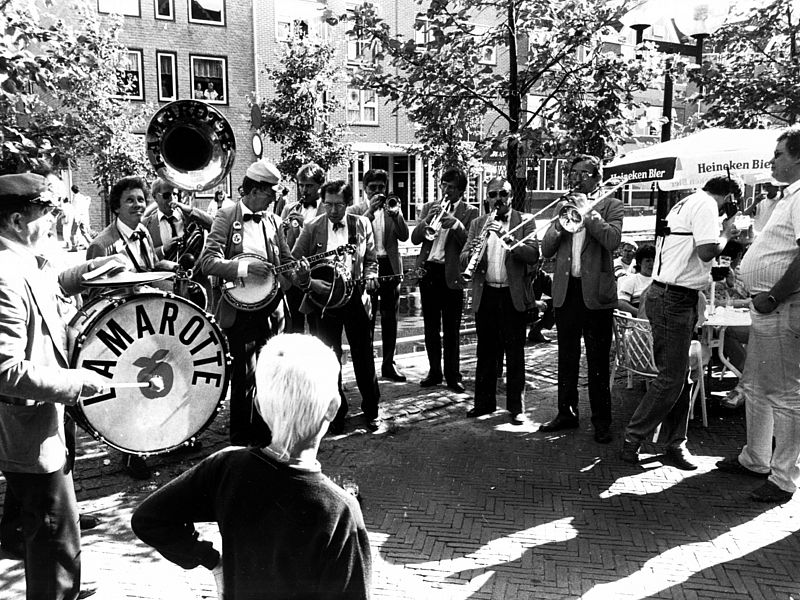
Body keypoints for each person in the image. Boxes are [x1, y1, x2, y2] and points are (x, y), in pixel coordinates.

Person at [131, 334, 372, 599]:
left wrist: (213, 562)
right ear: (333, 408)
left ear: (258, 406)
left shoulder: (227, 467)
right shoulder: (340, 511)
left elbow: (148, 518)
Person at [0, 173, 123, 599]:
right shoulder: (5, 273)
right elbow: (4, 369)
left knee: (57, 535)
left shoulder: (24, 259)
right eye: (45, 212)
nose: (54, 219)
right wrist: (75, 381)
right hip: (28, 430)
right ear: (17, 221)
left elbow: (52, 287)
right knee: (54, 539)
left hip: (43, 425)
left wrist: (90, 271)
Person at [620, 175, 742, 470]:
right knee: (671, 378)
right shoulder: (706, 206)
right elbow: (707, 251)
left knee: (681, 375)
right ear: (729, 198)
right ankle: (633, 437)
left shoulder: (687, 202)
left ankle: (676, 441)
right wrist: (727, 232)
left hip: (674, 296)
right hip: (674, 298)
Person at [715, 128, 800, 503]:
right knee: (758, 387)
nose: (772, 161)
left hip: (782, 306)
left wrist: (775, 295)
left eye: (779, 154)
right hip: (767, 306)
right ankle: (756, 458)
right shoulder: (787, 196)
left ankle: (784, 479)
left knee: (785, 394)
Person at [198, 160, 294, 447]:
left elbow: (287, 261)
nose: (274, 198)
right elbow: (207, 262)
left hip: (272, 309)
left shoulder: (274, 221)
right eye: (270, 193)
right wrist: (245, 269)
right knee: (243, 375)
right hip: (239, 311)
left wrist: (298, 273)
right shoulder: (227, 216)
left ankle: (265, 435)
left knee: (270, 373)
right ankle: (239, 441)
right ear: (254, 191)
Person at [538, 154, 624, 444]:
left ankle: (602, 421)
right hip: (567, 292)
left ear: (597, 177)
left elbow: (612, 240)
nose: (575, 179)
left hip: (596, 294)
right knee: (567, 357)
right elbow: (547, 249)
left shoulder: (612, 205)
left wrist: (588, 212)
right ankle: (566, 413)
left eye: (582, 174)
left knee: (598, 361)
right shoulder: (562, 206)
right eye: (572, 173)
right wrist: (559, 225)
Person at [292, 180, 380, 435]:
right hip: (323, 302)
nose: (333, 210)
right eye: (328, 204)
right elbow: (295, 263)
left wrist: (371, 275)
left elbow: (371, 259)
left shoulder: (361, 224)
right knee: (329, 359)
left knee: (364, 356)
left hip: (355, 299)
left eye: (339, 205)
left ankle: (372, 410)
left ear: (348, 203)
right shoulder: (312, 227)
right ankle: (335, 414)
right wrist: (309, 281)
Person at [461, 176, 539, 424]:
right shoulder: (477, 223)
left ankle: (516, 408)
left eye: (503, 194)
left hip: (511, 295)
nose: (498, 199)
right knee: (485, 352)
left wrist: (507, 237)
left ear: (511, 196)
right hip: (486, 294)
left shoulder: (525, 221)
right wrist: (472, 253)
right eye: (493, 194)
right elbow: (463, 257)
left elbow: (533, 255)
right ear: (487, 198)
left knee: (515, 353)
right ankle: (483, 404)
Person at [410, 166, 478, 393]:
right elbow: (415, 238)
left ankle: (453, 375)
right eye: (444, 185)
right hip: (429, 271)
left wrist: (456, 224)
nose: (446, 191)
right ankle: (434, 372)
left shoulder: (470, 212)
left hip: (452, 274)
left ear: (461, 191)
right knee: (430, 326)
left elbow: (472, 244)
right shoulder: (430, 207)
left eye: (451, 187)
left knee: (451, 329)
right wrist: (427, 220)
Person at [349, 169, 410, 381]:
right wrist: (370, 212)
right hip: (367, 267)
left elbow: (404, 236)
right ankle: (367, 368)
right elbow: (352, 238)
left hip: (389, 265)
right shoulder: (356, 210)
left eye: (381, 187)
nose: (377, 191)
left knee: (390, 317)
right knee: (367, 317)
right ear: (364, 189)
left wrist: (398, 215)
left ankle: (389, 364)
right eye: (372, 187)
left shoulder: (392, 207)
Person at [280, 162, 326, 334]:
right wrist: (283, 229)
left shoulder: (326, 209)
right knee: (294, 325)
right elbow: (280, 242)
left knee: (317, 326)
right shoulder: (289, 208)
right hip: (293, 274)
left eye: (309, 186)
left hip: (316, 273)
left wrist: (304, 224)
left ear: (321, 186)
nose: (304, 190)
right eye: (301, 185)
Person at [143, 178, 212, 262]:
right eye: (167, 195)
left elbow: (213, 224)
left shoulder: (188, 216)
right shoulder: (146, 224)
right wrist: (163, 249)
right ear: (155, 197)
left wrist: (189, 210)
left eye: (175, 194)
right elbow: (143, 257)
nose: (172, 199)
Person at [616, 244, 655, 315]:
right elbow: (621, 303)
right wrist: (640, 314)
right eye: (648, 261)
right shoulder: (631, 280)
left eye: (654, 260)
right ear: (639, 262)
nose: (652, 264)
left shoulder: (661, 281)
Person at [70, 185, 92, 250]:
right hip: (83, 217)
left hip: (77, 217)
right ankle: (92, 244)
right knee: (84, 232)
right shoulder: (82, 197)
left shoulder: (75, 198)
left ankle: (74, 247)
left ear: (72, 191)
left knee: (73, 233)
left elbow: (74, 208)